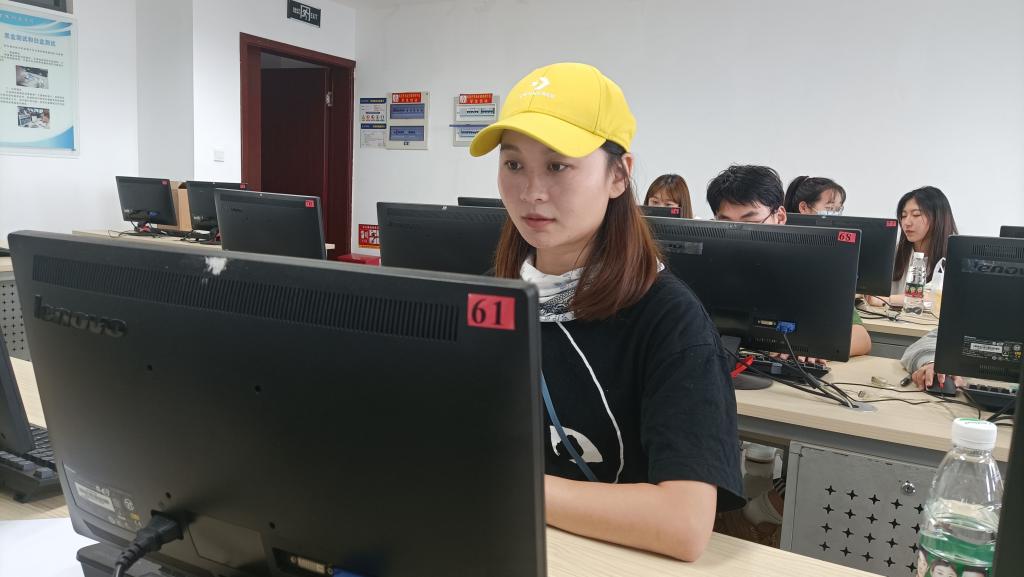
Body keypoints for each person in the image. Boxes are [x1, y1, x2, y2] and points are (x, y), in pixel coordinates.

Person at [469, 62, 743, 561]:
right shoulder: (488, 298)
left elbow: (683, 524)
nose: (531, 191)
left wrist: (511, 483)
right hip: (497, 544)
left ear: (619, 175)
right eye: (513, 164)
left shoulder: (670, 319)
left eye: (557, 166)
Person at [706, 165, 872, 358]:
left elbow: (861, 338)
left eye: (750, 222)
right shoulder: (707, 265)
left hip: (783, 369)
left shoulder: (813, 268)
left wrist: (813, 347)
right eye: (726, 223)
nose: (738, 234)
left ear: (780, 216)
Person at [870, 186, 958, 307]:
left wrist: (886, 300)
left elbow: (934, 298)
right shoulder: (895, 252)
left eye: (916, 215)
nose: (907, 222)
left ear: (938, 217)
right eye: (903, 216)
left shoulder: (955, 257)